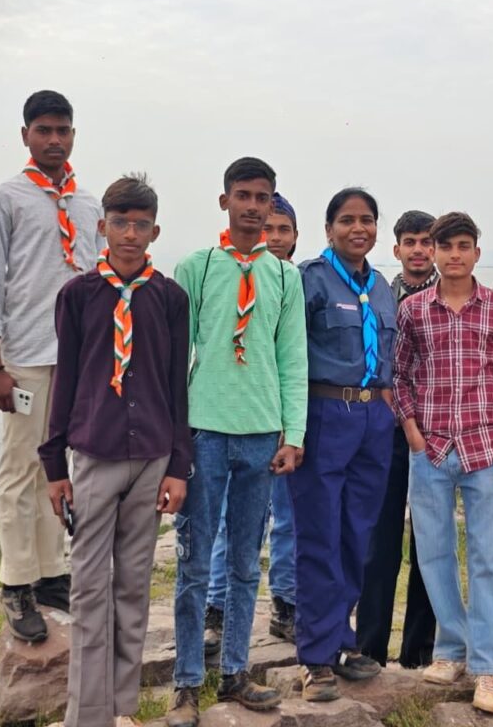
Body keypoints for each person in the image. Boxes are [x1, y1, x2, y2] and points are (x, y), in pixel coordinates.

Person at [38, 174, 189, 727]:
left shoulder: (169, 298)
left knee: (132, 586)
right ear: (102, 227)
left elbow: (176, 386)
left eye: (140, 225)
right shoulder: (78, 295)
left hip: (151, 457)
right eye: (120, 223)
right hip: (94, 454)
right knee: (87, 588)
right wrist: (54, 464)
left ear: (154, 232)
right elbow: (65, 380)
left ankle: (122, 710)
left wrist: (179, 465)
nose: (130, 234)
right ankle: (86, 715)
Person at [168, 159, 308, 727]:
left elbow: (292, 359)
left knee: (247, 563)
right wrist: (174, 440)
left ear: (272, 205)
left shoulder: (284, 277)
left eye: (262, 198)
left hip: (261, 435)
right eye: (243, 195)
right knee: (194, 563)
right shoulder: (196, 268)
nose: (252, 206)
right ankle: (185, 684)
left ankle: (235, 672)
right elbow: (175, 358)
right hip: (204, 432)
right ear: (224, 201)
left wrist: (293, 434)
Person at [0, 90, 103, 642]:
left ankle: (52, 573)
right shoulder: (3, 199)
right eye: (44, 130)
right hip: (25, 356)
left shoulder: (88, 205)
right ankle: (17, 582)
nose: (54, 139)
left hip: (79, 358)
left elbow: (98, 281)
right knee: (20, 469)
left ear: (74, 135)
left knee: (61, 467)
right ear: (25, 135)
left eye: (63, 130)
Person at [394, 212, 493, 714]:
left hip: (484, 449)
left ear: (476, 252)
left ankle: (489, 667)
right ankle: (451, 649)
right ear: (432, 252)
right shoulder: (413, 310)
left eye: (463, 246)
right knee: (433, 554)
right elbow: (400, 375)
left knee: (489, 557)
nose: (454, 255)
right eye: (445, 246)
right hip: (430, 450)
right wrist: (412, 432)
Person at [290, 188, 397, 701]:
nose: (359, 228)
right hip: (324, 413)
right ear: (329, 228)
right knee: (319, 534)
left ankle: (342, 638)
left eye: (367, 220)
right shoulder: (309, 279)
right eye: (348, 220)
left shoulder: (382, 287)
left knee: (358, 533)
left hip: (373, 417)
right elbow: (289, 353)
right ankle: (314, 657)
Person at [203, 191, 300, 655]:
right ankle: (216, 609)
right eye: (269, 228)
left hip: (283, 421)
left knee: (287, 518)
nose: (275, 237)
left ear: (296, 237)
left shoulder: (294, 282)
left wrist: (294, 426)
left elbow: (295, 359)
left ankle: (286, 603)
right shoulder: (214, 271)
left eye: (284, 230)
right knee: (230, 520)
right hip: (236, 420)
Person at [356, 210, 438, 668]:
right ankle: (369, 648)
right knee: (379, 542)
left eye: (426, 242)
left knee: (429, 541)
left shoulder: (451, 296)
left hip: (436, 433)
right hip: (385, 433)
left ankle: (419, 652)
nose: (419, 250)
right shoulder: (378, 296)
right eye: (411, 242)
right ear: (397, 249)